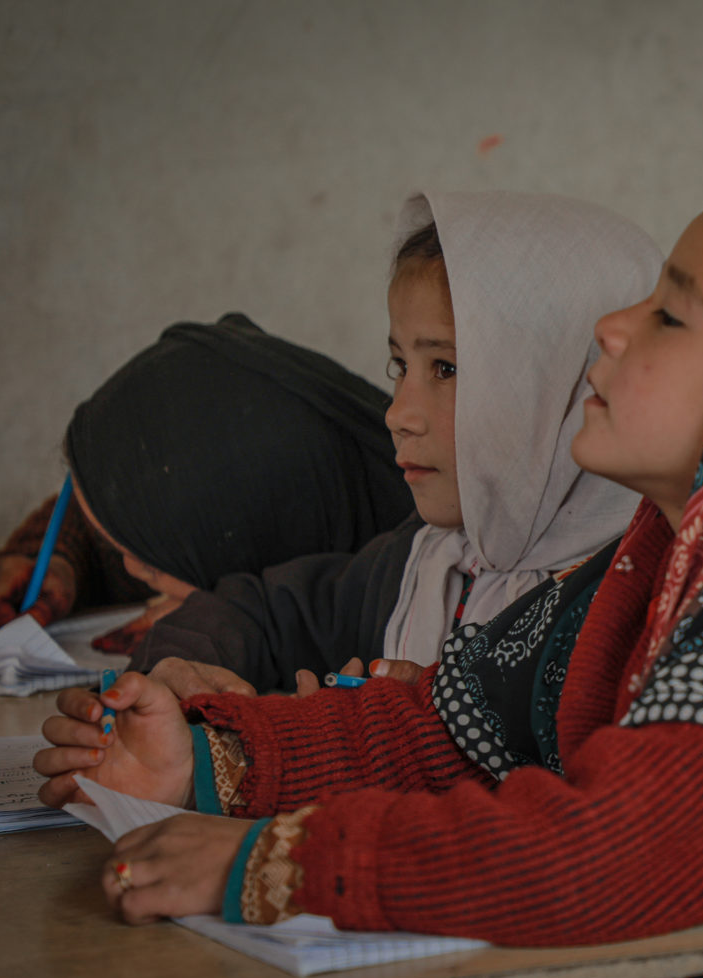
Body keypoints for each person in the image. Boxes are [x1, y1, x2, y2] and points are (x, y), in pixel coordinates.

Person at [36, 171, 703, 978]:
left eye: (668, 314)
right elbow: (448, 727)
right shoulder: (660, 567)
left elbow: (594, 859)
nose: (612, 327)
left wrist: (273, 863)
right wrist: (205, 762)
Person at [128, 190, 661, 695]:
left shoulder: (639, 600)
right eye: (400, 365)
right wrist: (181, 667)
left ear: (565, 381)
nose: (397, 414)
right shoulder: (426, 559)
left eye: (446, 368)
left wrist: (394, 736)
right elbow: (261, 610)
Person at [0, 314, 416, 653]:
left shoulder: (439, 598)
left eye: (146, 565)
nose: (128, 569)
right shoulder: (283, 505)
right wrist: (55, 558)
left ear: (249, 546)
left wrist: (237, 623)